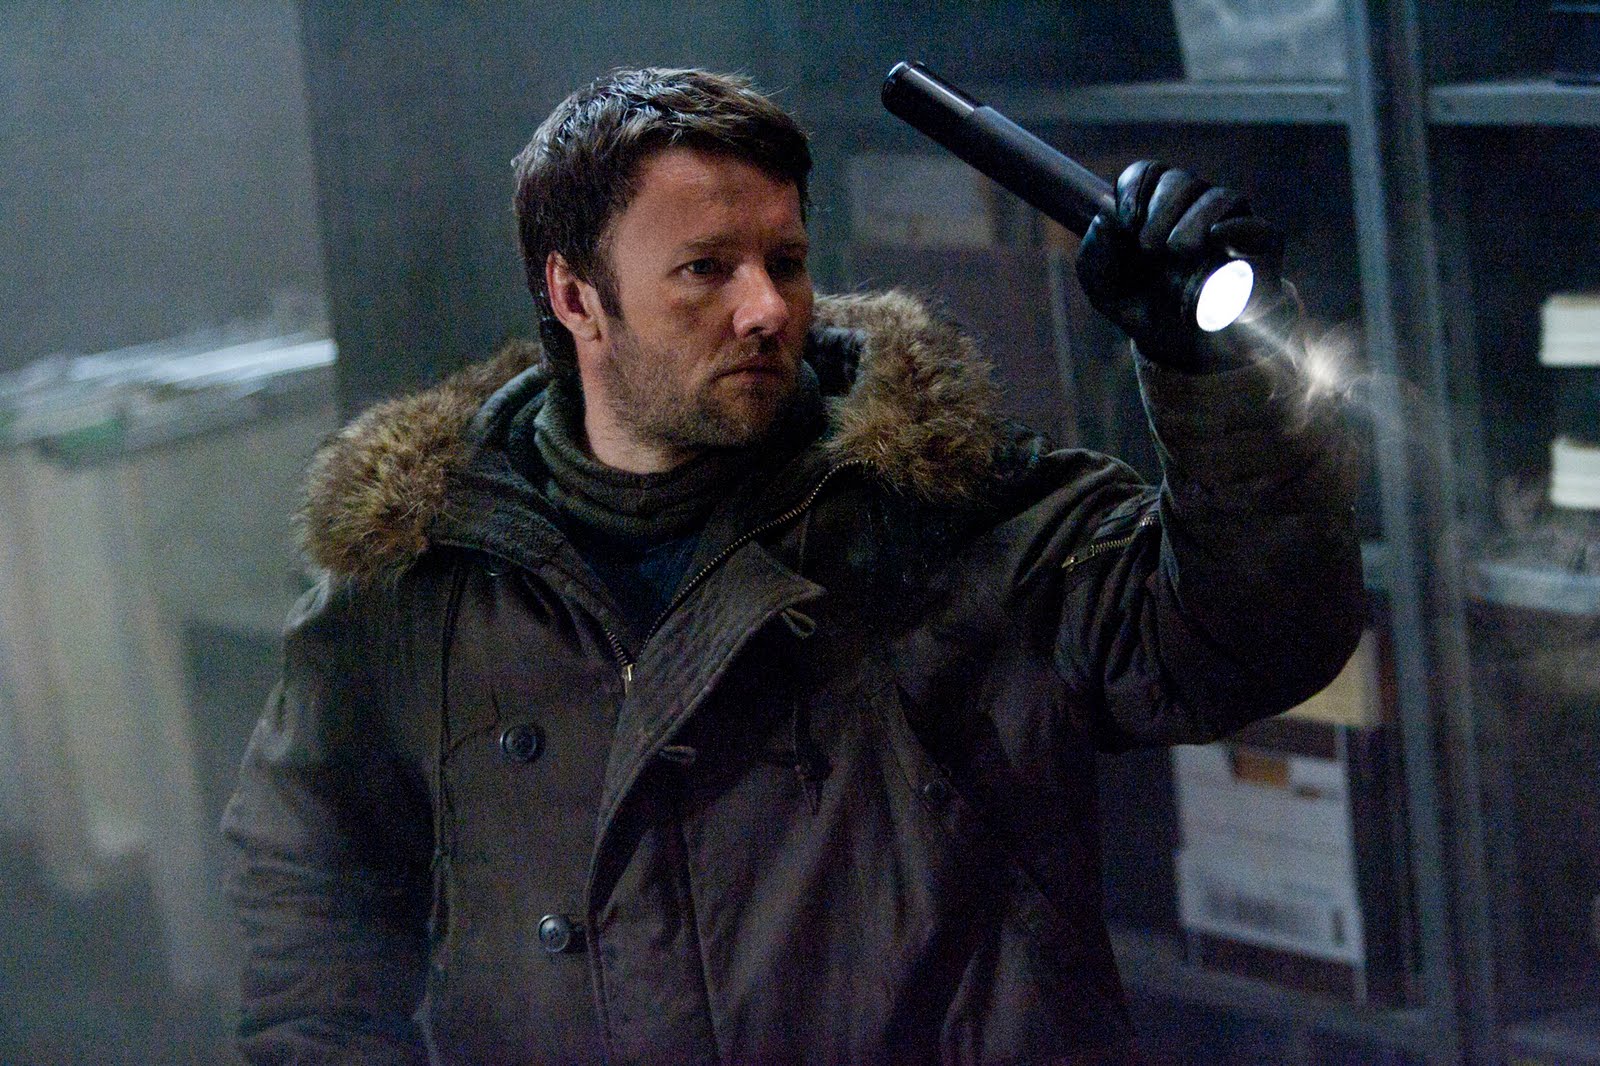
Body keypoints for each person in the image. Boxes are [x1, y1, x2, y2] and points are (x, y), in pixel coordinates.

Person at [222, 67, 1363, 1064]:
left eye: (786, 260)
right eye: (705, 269)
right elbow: (308, 884)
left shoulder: (947, 511)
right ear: (576, 299)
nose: (767, 308)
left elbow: (1247, 637)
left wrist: (1217, 375)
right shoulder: (423, 577)